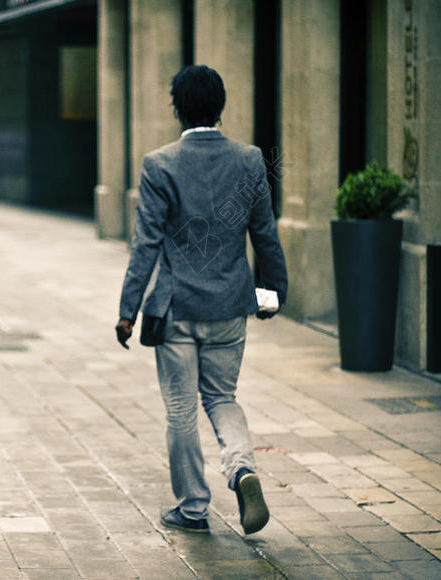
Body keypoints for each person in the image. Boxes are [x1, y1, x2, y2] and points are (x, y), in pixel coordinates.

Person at [115, 65, 287, 535]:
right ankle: (243, 471)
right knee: (222, 397)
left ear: (176, 108)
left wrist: (128, 311)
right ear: (221, 107)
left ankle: (192, 507)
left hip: (176, 310)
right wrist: (272, 295)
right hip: (230, 305)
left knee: (181, 411)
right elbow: (265, 236)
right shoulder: (250, 160)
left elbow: (146, 244)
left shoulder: (159, 163)